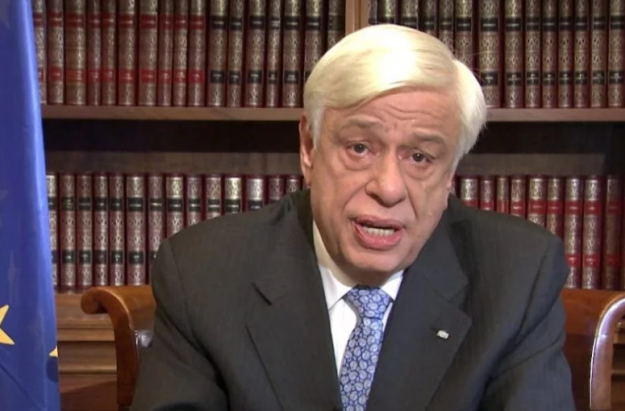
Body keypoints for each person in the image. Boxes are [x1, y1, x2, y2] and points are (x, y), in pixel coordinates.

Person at [131, 24, 575, 411]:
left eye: (420, 157)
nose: (389, 188)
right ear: (309, 146)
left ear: (450, 173)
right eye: (360, 148)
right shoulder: (205, 273)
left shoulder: (516, 278)